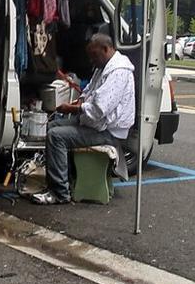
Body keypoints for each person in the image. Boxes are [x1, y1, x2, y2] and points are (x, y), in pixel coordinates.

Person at [30, 33, 134, 205]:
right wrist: (79, 101)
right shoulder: (103, 67)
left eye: (94, 55)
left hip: (108, 131)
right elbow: (90, 92)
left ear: (106, 49)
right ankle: (66, 179)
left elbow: (99, 109)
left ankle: (59, 193)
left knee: (56, 136)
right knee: (53, 125)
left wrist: (72, 108)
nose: (92, 60)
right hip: (97, 124)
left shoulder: (118, 72)